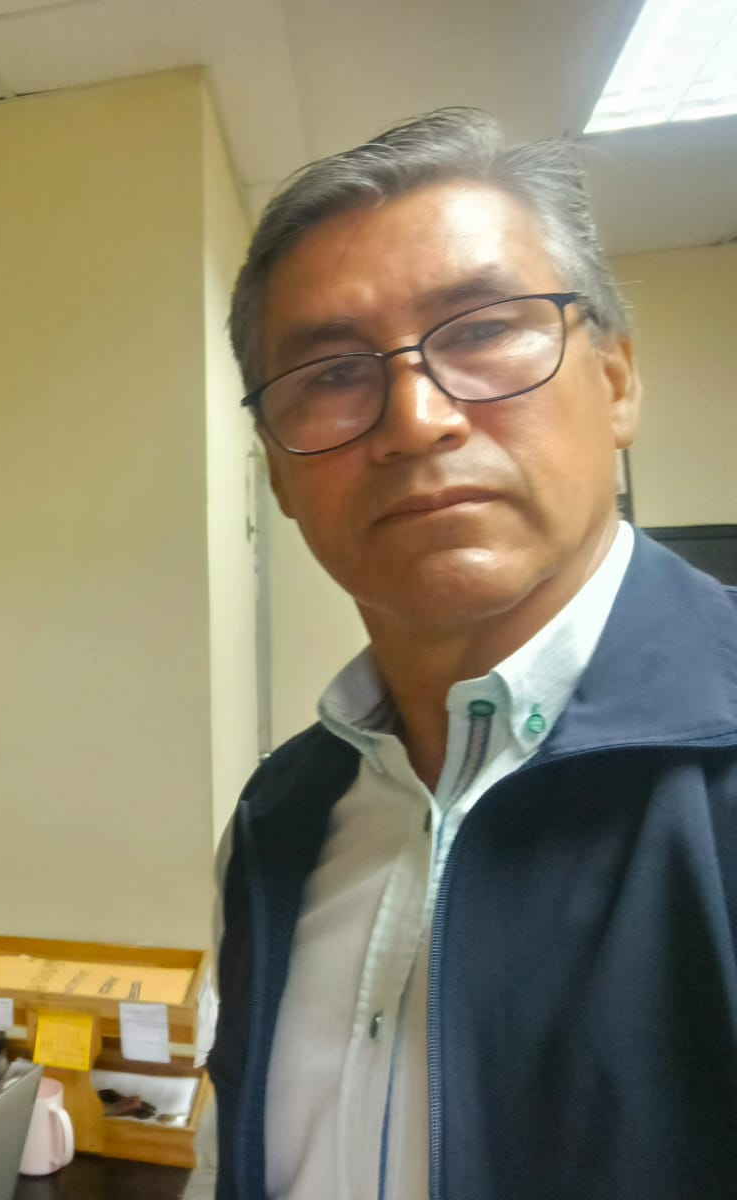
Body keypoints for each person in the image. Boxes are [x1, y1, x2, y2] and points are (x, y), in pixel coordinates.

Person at [208, 108, 737, 1200]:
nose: (415, 419)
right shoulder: (277, 817)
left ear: (616, 381)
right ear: (278, 474)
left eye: (485, 329)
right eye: (331, 374)